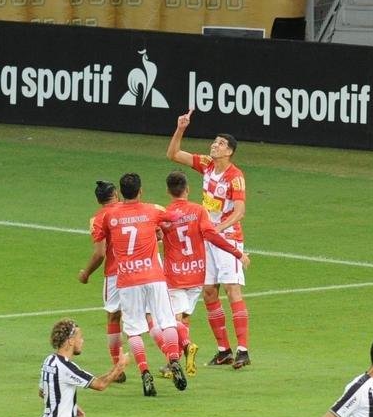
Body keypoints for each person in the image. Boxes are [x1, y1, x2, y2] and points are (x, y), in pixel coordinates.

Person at [79, 172, 190, 397]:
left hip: (126, 279)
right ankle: (173, 358)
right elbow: (175, 218)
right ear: (140, 191)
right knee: (166, 321)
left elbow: (101, 247)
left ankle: (144, 372)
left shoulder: (107, 217)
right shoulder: (152, 210)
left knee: (133, 329)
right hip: (154, 276)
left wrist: (86, 272)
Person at [167, 109, 251, 369]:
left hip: (228, 238)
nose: (215, 145)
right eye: (214, 142)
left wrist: (217, 228)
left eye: (221, 143)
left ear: (230, 152)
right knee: (208, 291)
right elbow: (173, 154)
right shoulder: (206, 165)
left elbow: (240, 211)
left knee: (232, 289)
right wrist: (181, 128)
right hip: (208, 238)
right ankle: (223, 349)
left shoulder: (235, 176)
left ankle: (243, 350)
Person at [158, 170, 251, 379]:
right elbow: (211, 234)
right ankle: (220, 350)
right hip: (197, 275)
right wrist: (238, 253)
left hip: (175, 275)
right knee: (185, 315)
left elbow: (154, 237)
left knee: (174, 320)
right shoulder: (199, 211)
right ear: (188, 189)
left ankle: (174, 358)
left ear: (167, 191)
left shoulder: (164, 215)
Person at [83, 180, 126, 383]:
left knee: (114, 318)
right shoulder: (134, 209)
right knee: (150, 318)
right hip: (145, 271)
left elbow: (100, 253)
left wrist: (86, 273)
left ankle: (118, 366)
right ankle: (172, 356)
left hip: (116, 274)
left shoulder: (98, 218)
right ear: (116, 194)